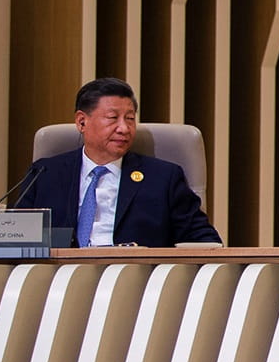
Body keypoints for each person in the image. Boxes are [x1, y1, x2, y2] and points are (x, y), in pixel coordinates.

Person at [16, 77, 221, 247]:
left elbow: (205, 242)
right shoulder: (44, 174)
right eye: (113, 118)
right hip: (61, 276)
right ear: (81, 122)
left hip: (134, 277)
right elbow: (14, 239)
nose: (124, 128)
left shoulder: (163, 178)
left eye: (130, 119)